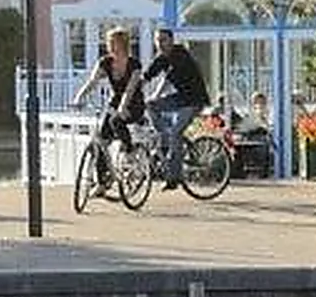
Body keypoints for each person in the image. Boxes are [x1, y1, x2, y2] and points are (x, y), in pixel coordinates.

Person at [69, 26, 144, 192]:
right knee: (101, 141)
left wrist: (123, 107)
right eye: (109, 42)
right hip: (115, 101)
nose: (111, 45)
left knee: (116, 120)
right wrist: (78, 98)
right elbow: (92, 82)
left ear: (123, 43)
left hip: (134, 103)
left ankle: (130, 151)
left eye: (114, 42)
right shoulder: (105, 62)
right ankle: (103, 182)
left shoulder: (134, 64)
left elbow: (129, 90)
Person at [142, 27, 211, 190]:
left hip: (194, 100)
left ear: (172, 41)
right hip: (180, 99)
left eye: (164, 40)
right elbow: (146, 77)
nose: (160, 44)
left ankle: (173, 178)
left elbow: (167, 79)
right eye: (157, 40)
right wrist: (129, 94)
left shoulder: (180, 54)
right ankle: (164, 138)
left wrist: (157, 94)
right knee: (150, 106)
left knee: (175, 133)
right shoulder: (160, 58)